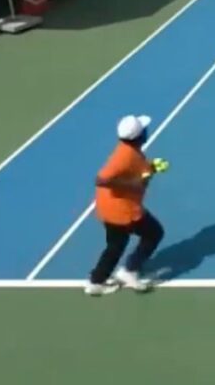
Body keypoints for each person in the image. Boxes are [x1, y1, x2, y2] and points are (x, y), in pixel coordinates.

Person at [85, 114, 165, 296]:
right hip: (122, 211)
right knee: (154, 233)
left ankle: (96, 280)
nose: (146, 131)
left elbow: (137, 174)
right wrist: (132, 185)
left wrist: (152, 168)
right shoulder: (125, 156)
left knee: (116, 244)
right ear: (139, 136)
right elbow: (102, 179)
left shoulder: (129, 151)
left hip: (110, 207)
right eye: (144, 129)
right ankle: (128, 271)